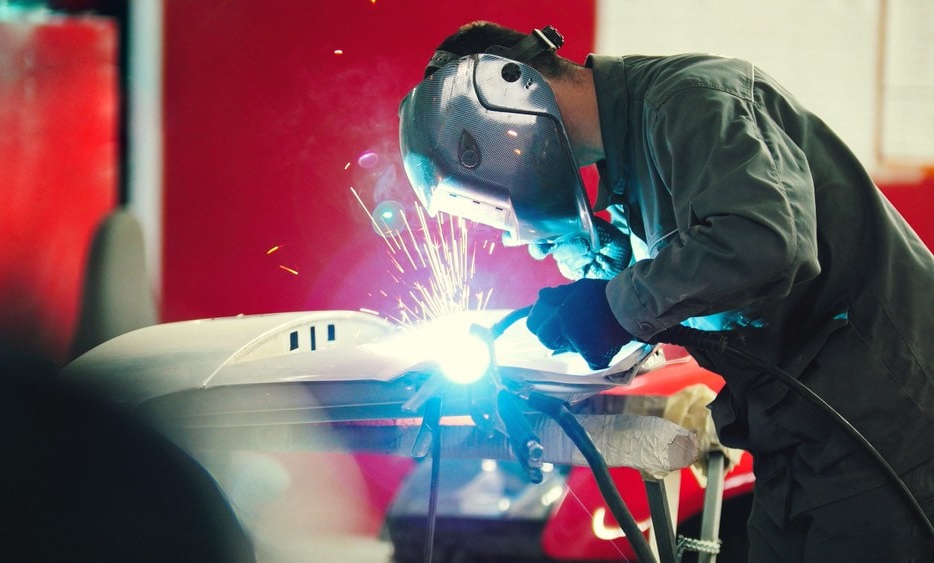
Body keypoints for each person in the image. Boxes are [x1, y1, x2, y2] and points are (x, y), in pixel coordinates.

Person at [398, 20, 934, 562]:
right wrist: (612, 264)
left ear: (505, 98)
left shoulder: (692, 102)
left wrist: (613, 309)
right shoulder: (633, 159)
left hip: (885, 423)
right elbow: (709, 273)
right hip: (798, 440)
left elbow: (766, 243)